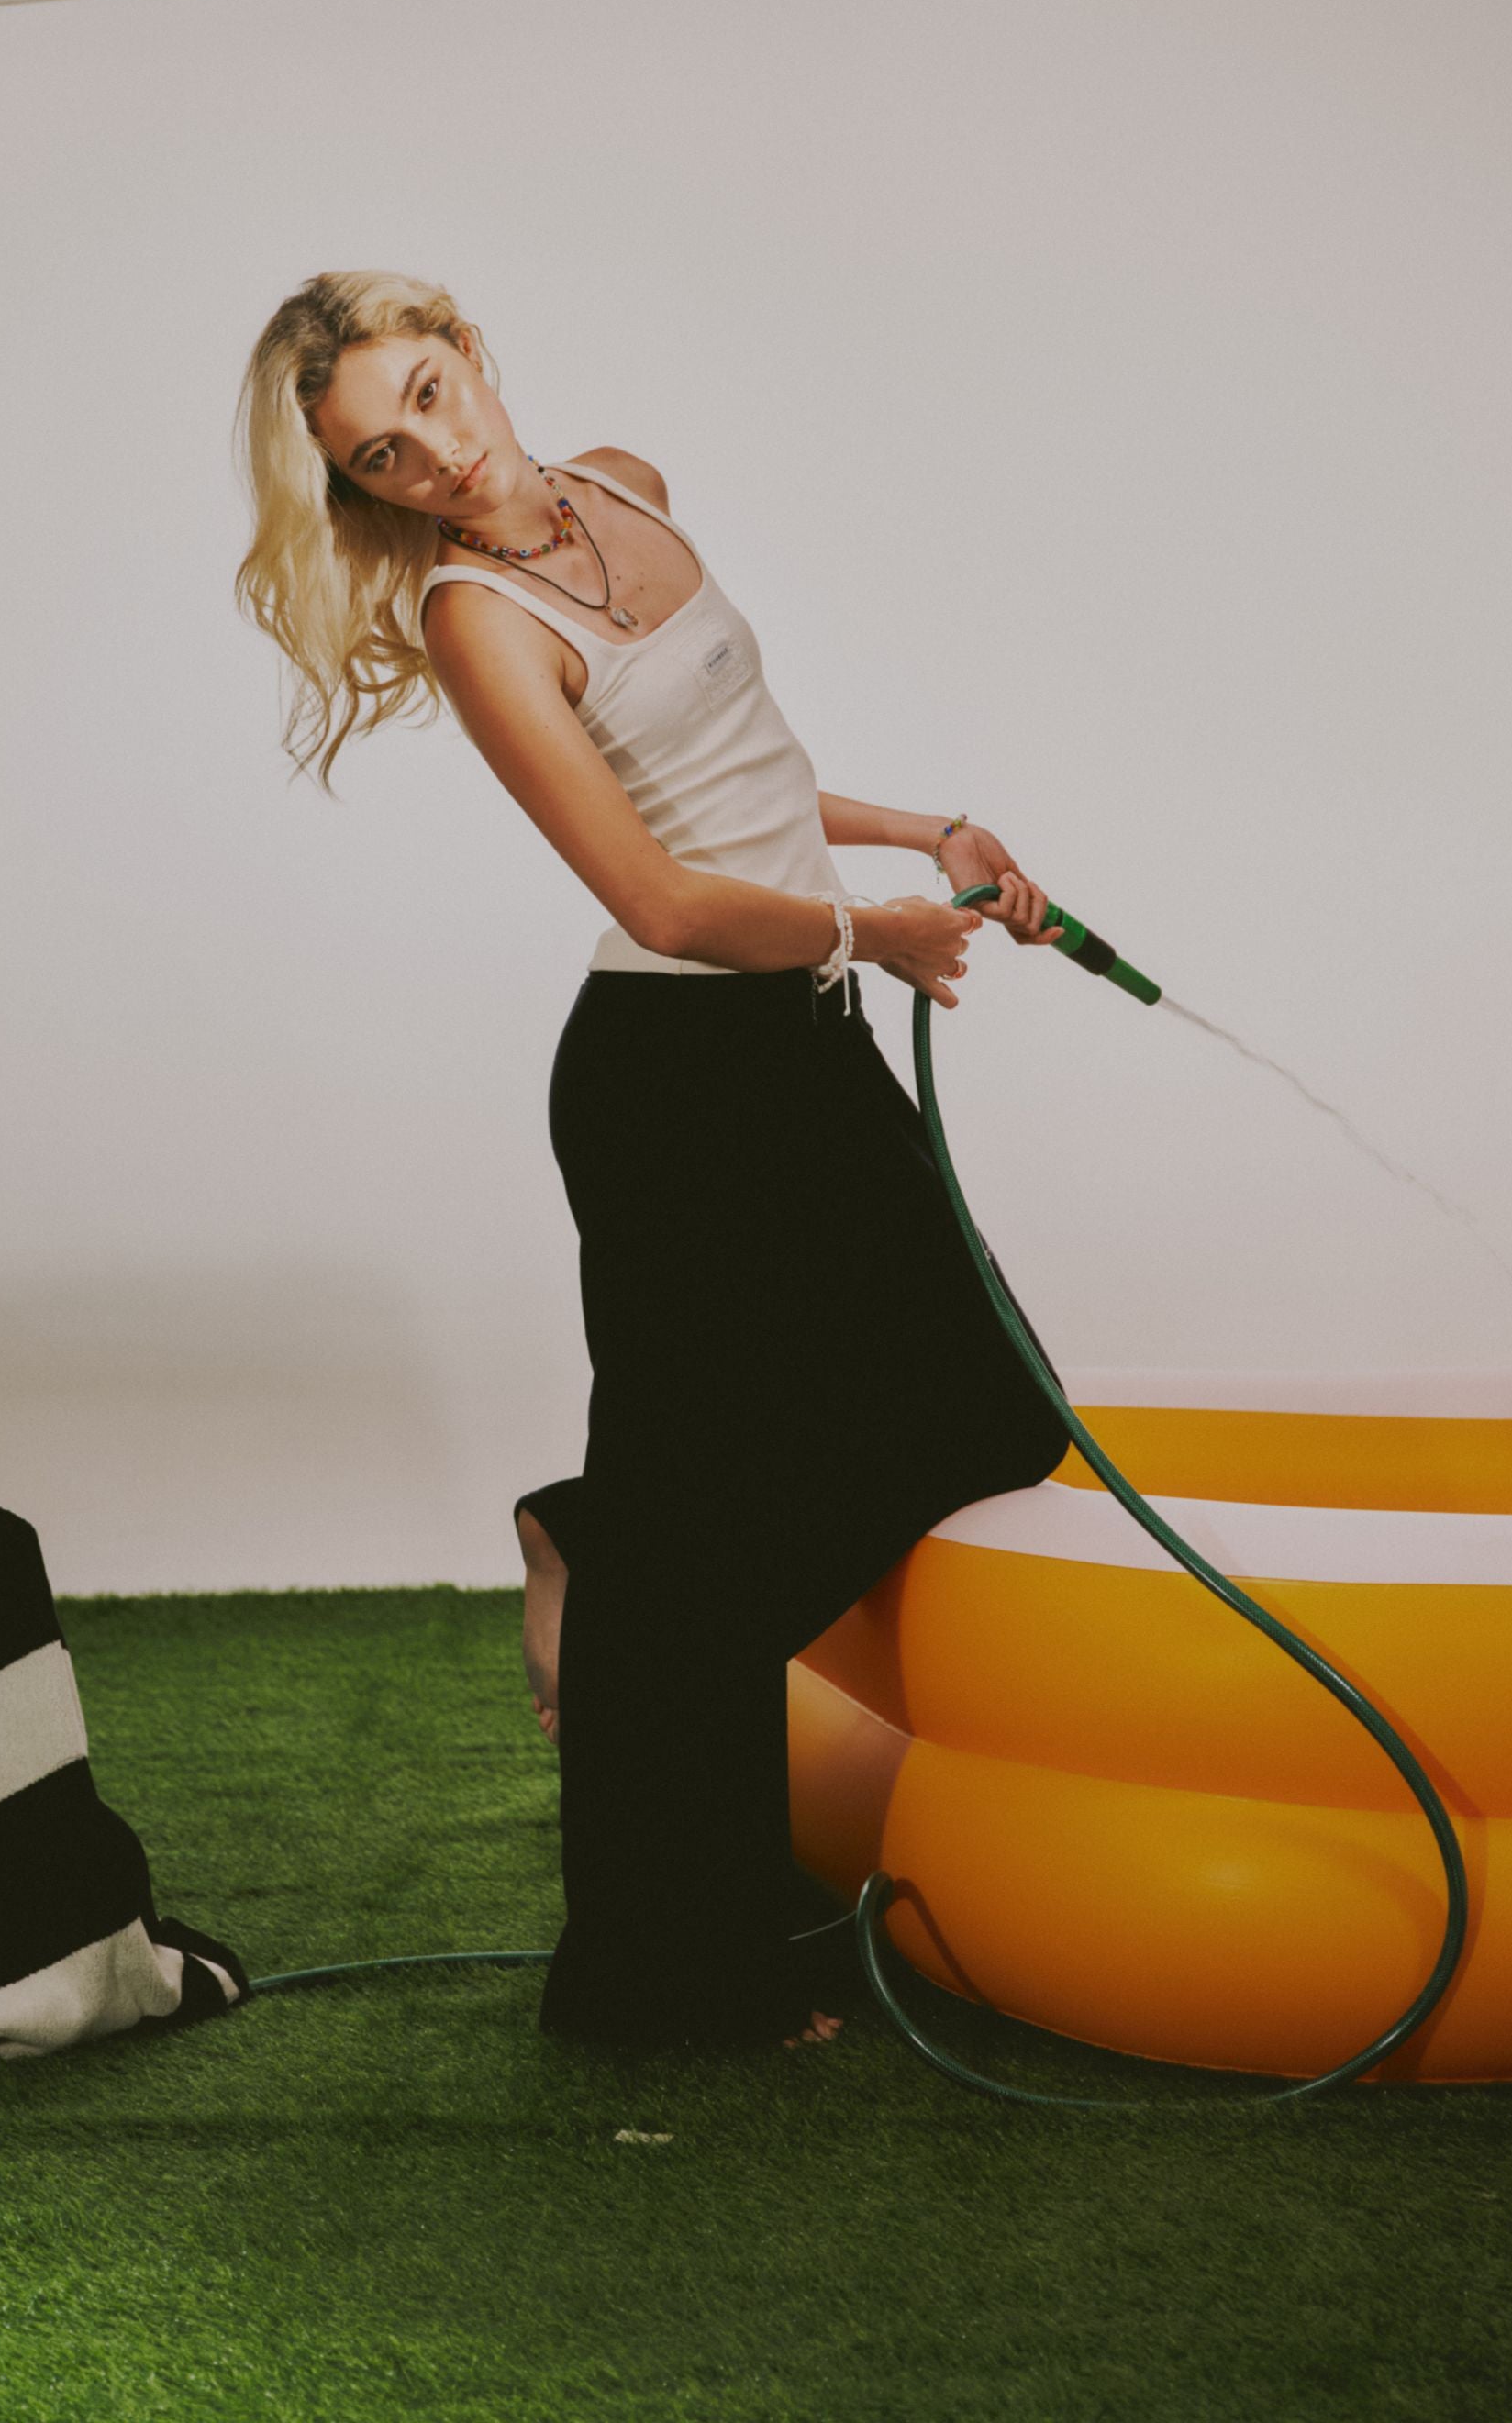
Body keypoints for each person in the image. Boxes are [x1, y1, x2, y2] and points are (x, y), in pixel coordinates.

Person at [235, 270, 1072, 2053]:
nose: (431, 460)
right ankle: (657, 1977)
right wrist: (870, 934)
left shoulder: (627, 486)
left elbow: (738, 777)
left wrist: (925, 833)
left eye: (429, 398)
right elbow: (658, 893)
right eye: (380, 458)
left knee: (983, 1410)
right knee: (709, 1541)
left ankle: (595, 1539)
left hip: (797, 1030)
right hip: (676, 1082)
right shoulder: (476, 623)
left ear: (468, 350)